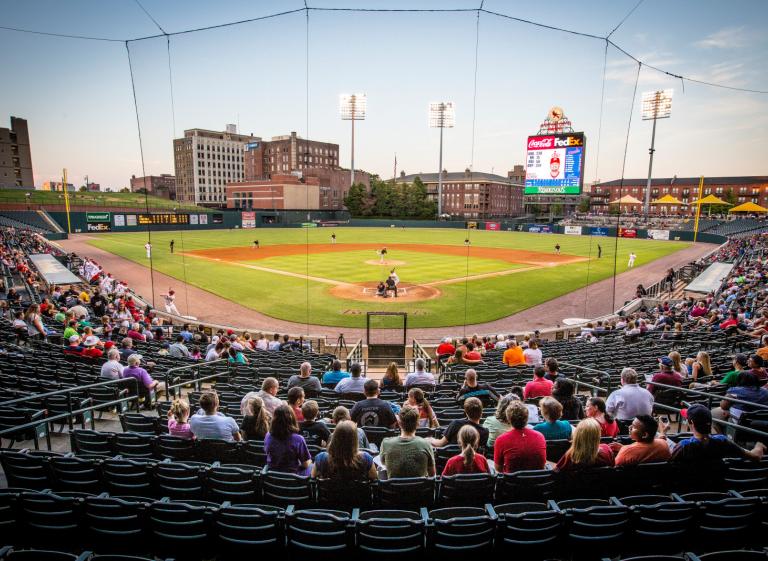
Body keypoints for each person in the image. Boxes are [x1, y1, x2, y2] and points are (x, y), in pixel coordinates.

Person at [671, 403, 766, 462]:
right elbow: (755, 456)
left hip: (687, 492)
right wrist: (759, 445)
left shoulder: (683, 446)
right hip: (717, 489)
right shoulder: (722, 441)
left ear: (691, 422)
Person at [379, 406, 436, 478]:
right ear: (418, 424)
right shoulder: (426, 444)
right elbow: (432, 474)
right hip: (420, 489)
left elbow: (383, 463)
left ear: (399, 424)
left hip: (393, 489)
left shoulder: (386, 443)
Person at [312, 421, 377, 480]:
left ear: (334, 437)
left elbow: (313, 478)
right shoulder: (366, 458)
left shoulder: (321, 458)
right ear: (354, 440)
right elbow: (374, 478)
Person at [493, 401, 547, 473]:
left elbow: (498, 468)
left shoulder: (501, 440)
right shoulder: (540, 436)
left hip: (511, 482)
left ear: (508, 419)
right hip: (538, 482)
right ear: (527, 418)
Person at [264, 405, 311, 475]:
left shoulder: (268, 435)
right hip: (292, 477)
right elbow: (305, 464)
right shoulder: (298, 439)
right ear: (292, 419)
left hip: (273, 475)